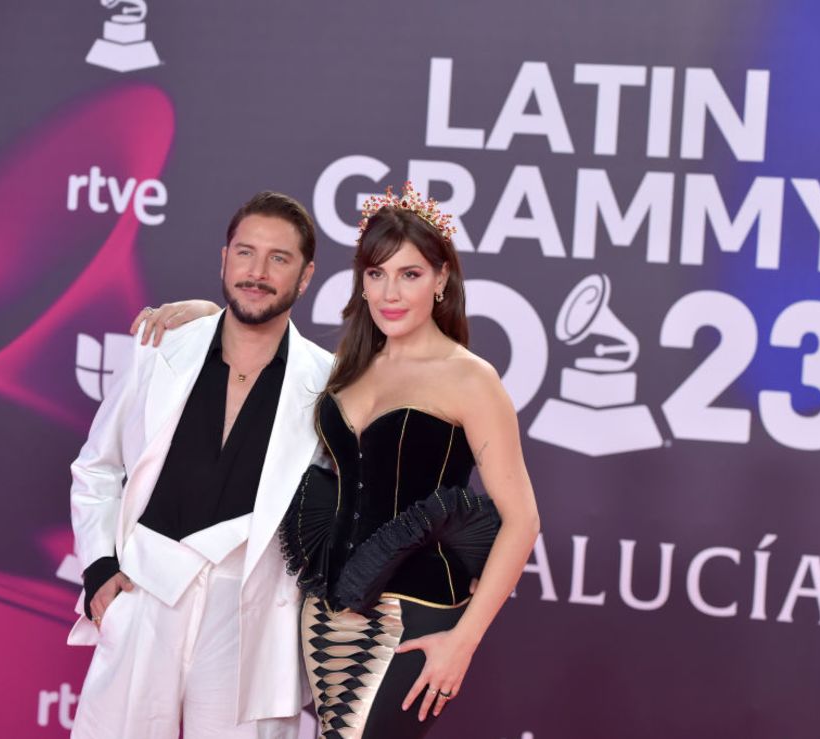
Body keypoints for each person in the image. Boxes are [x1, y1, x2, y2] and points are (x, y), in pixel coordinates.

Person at [137, 183, 540, 738]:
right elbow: (264, 339)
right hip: (323, 618)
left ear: (442, 279)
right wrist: (207, 312)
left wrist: (462, 642)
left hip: (414, 615)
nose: (389, 293)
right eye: (376, 275)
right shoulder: (347, 367)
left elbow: (523, 520)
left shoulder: (472, 379)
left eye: (410, 274)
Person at [67, 191, 334, 739]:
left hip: (252, 615)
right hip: (144, 593)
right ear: (223, 259)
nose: (256, 273)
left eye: (278, 259)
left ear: (305, 277)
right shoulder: (161, 348)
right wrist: (99, 568)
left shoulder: (331, 384)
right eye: (245, 253)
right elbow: (96, 467)